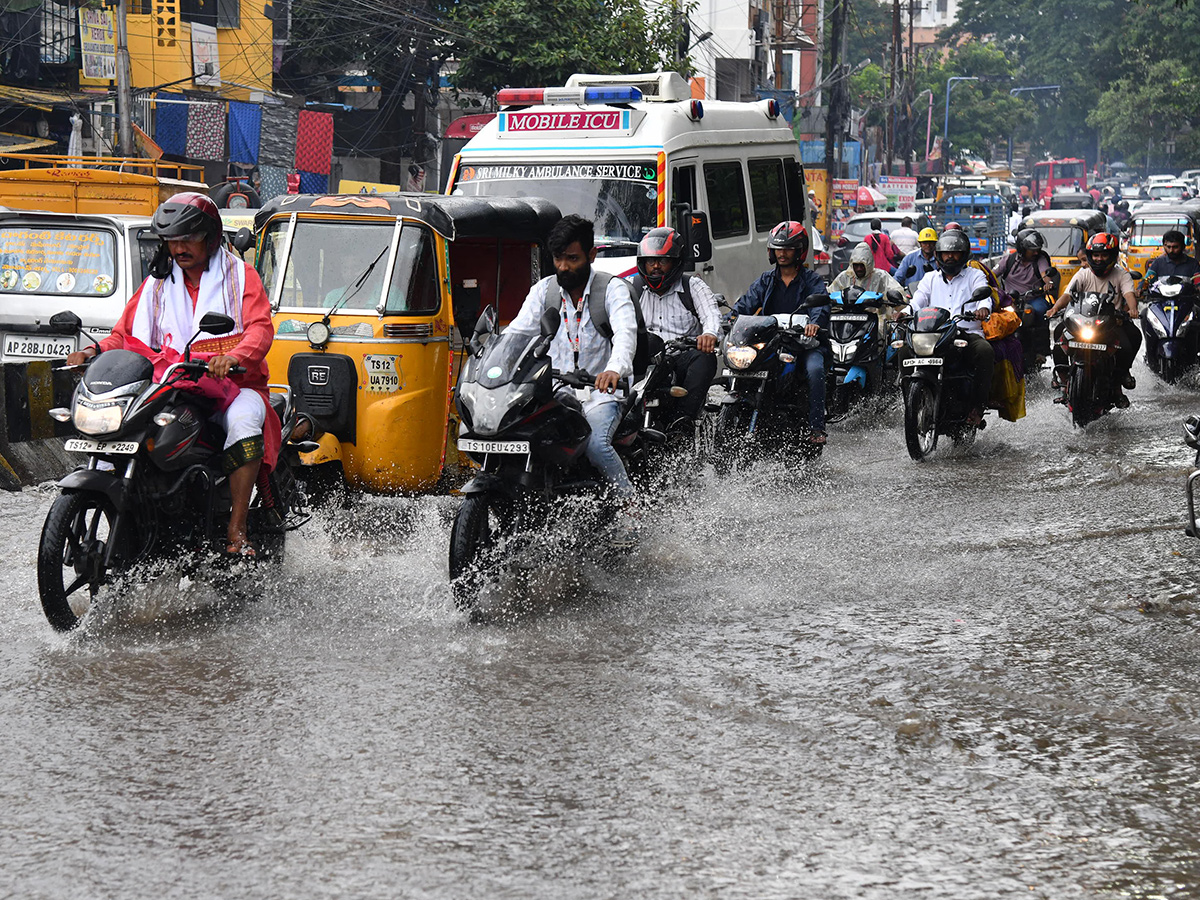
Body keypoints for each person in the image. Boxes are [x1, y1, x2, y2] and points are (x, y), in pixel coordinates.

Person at [65, 192, 277, 556]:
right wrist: (91, 351)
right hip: (172, 382)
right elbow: (125, 334)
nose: (179, 248)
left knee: (244, 423)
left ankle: (236, 530)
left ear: (210, 237)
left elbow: (260, 328)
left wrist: (235, 356)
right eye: (172, 240)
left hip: (234, 385)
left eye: (187, 238)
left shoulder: (242, 276)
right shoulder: (157, 282)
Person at [505, 213, 639, 503]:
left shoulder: (612, 290)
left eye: (572, 258)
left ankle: (630, 507)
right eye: (558, 258)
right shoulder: (544, 291)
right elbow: (516, 333)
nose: (563, 267)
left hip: (601, 394)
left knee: (595, 446)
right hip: (555, 392)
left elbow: (625, 334)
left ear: (591, 254)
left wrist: (613, 370)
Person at [733, 220, 830, 445]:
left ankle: (817, 427)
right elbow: (747, 303)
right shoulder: (766, 280)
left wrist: (814, 324)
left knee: (815, 370)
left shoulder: (812, 280)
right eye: (778, 248)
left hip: (805, 343)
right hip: (773, 342)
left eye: (787, 248)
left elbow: (821, 307)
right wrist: (731, 318)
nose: (782, 253)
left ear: (799, 251)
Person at [901, 230, 994, 426]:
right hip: (934, 334)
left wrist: (983, 308)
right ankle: (911, 403)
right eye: (946, 253)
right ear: (939, 255)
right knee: (902, 349)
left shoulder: (974, 275)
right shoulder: (930, 278)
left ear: (964, 254)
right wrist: (905, 311)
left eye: (955, 253)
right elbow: (918, 299)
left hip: (965, 333)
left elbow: (984, 296)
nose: (950, 256)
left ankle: (977, 408)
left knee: (985, 351)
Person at [632, 226, 722, 427]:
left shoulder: (693, 287)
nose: (655, 266)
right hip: (645, 360)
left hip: (680, 358)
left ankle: (682, 422)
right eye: (650, 261)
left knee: (704, 359)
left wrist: (709, 334)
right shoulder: (634, 288)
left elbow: (711, 315)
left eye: (662, 261)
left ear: (676, 262)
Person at [1047, 232, 1141, 407]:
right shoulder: (1083, 274)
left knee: (1133, 337)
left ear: (1112, 255)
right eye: (1096, 255)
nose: (1099, 259)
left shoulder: (1122, 275)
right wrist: (1055, 308)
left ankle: (1118, 381)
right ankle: (1063, 377)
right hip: (1082, 322)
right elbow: (1068, 295)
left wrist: (1133, 309)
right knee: (1060, 333)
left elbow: (1129, 294)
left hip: (1111, 324)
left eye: (1104, 255)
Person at [893, 227, 939, 291]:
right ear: (920, 244)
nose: (928, 245)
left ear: (935, 244)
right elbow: (898, 278)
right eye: (925, 243)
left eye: (931, 242)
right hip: (911, 295)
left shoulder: (940, 260)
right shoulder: (909, 258)